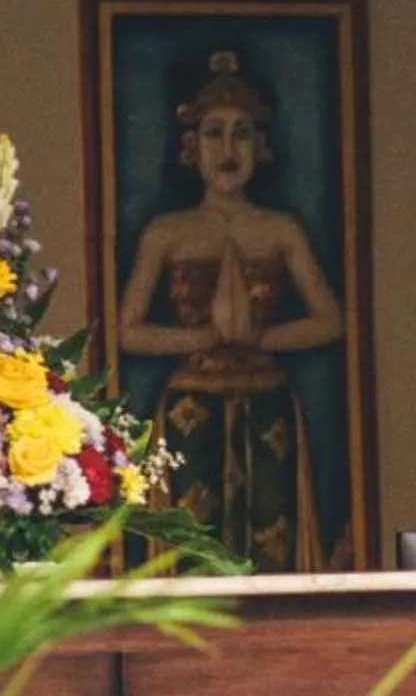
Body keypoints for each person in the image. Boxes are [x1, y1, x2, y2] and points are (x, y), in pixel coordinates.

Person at [114, 51, 347, 571]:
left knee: (272, 541)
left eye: (242, 132)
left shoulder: (281, 229)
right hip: (190, 407)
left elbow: (331, 320)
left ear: (261, 147)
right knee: (192, 543)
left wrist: (261, 340)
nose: (228, 147)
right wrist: (201, 341)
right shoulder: (167, 233)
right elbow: (127, 331)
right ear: (191, 147)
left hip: (269, 406)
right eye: (214, 132)